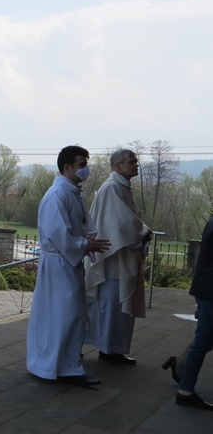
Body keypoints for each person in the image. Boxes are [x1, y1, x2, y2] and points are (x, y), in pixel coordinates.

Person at [26, 145, 110, 387]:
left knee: (71, 315)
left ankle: (67, 365)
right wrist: (84, 244)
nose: (86, 169)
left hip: (68, 263)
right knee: (62, 315)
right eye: (82, 165)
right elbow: (56, 232)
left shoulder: (73, 193)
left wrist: (88, 238)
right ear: (67, 167)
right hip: (58, 264)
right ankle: (53, 365)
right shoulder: (57, 195)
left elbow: (84, 224)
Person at [85, 149, 151, 364]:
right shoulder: (111, 188)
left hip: (121, 258)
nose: (136, 165)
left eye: (136, 161)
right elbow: (120, 225)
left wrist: (141, 230)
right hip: (113, 260)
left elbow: (127, 221)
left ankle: (113, 349)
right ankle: (108, 350)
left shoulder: (122, 187)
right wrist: (143, 232)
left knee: (117, 308)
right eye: (131, 162)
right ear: (117, 166)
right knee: (111, 307)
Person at [176, 213, 213, 409]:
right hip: (210, 291)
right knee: (202, 342)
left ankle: (184, 386)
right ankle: (184, 387)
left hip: (206, 289)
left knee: (203, 341)